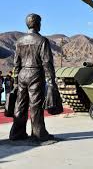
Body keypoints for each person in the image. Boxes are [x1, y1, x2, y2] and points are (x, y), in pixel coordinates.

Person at [9, 13, 57, 141]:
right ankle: (38, 133)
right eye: (40, 22)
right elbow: (47, 62)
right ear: (37, 24)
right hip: (35, 74)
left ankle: (16, 133)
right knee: (35, 105)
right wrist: (51, 81)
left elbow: (16, 63)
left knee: (20, 104)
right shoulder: (42, 41)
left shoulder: (19, 41)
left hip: (22, 74)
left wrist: (15, 81)